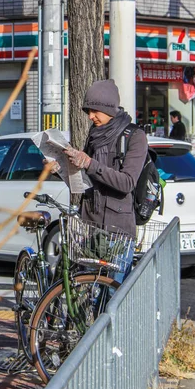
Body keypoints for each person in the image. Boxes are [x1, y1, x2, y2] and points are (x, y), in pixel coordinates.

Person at [63, 79, 148, 283]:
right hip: (92, 227)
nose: (91, 116)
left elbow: (127, 182)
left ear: (109, 107)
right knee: (91, 293)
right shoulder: (95, 134)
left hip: (118, 231)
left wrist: (90, 163)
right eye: (88, 111)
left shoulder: (134, 136)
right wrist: (61, 169)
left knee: (113, 293)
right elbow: (86, 180)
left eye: (95, 111)